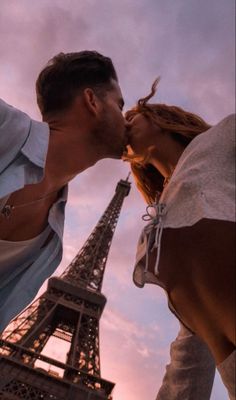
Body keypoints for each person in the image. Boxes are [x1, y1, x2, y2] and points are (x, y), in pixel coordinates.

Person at [124, 79, 235, 399]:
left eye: (133, 117)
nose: (125, 124)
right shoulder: (160, 218)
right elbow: (191, 342)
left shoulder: (223, 135)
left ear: (159, 117)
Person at [0, 51, 127, 332]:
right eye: (120, 106)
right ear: (92, 101)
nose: (126, 120)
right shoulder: (4, 127)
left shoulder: (51, 243)